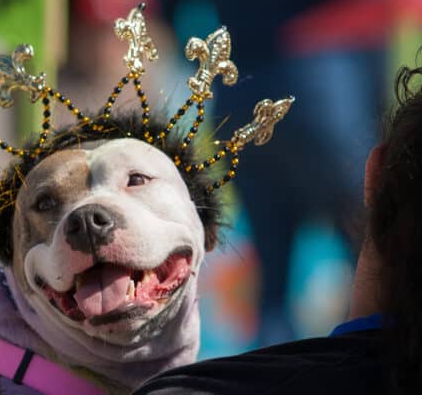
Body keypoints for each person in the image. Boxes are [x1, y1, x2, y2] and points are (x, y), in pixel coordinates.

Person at [134, 65, 422, 394]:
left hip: (247, 104)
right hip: (326, 102)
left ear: (374, 175)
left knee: (273, 289)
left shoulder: (181, 390)